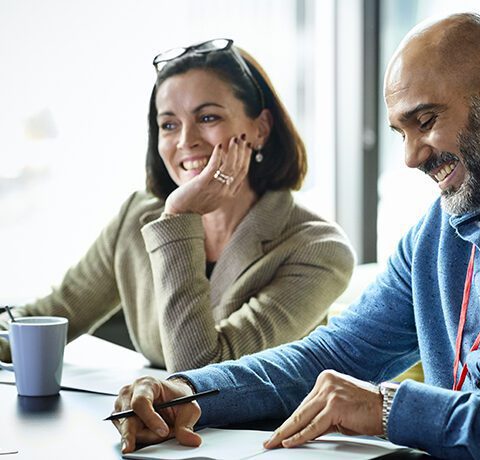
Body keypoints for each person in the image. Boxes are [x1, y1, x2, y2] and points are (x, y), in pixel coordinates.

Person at [113, 15, 480, 458]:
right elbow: (333, 357)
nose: (412, 156)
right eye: (400, 131)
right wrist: (186, 389)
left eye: (425, 122)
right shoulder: (439, 234)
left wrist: (394, 409)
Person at [0, 39, 355, 373]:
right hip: (152, 434)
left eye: (208, 118)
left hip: (259, 436)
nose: (186, 141)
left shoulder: (319, 250)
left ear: (260, 128)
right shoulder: (137, 217)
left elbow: (202, 374)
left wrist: (180, 218)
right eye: (169, 124)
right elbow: (47, 316)